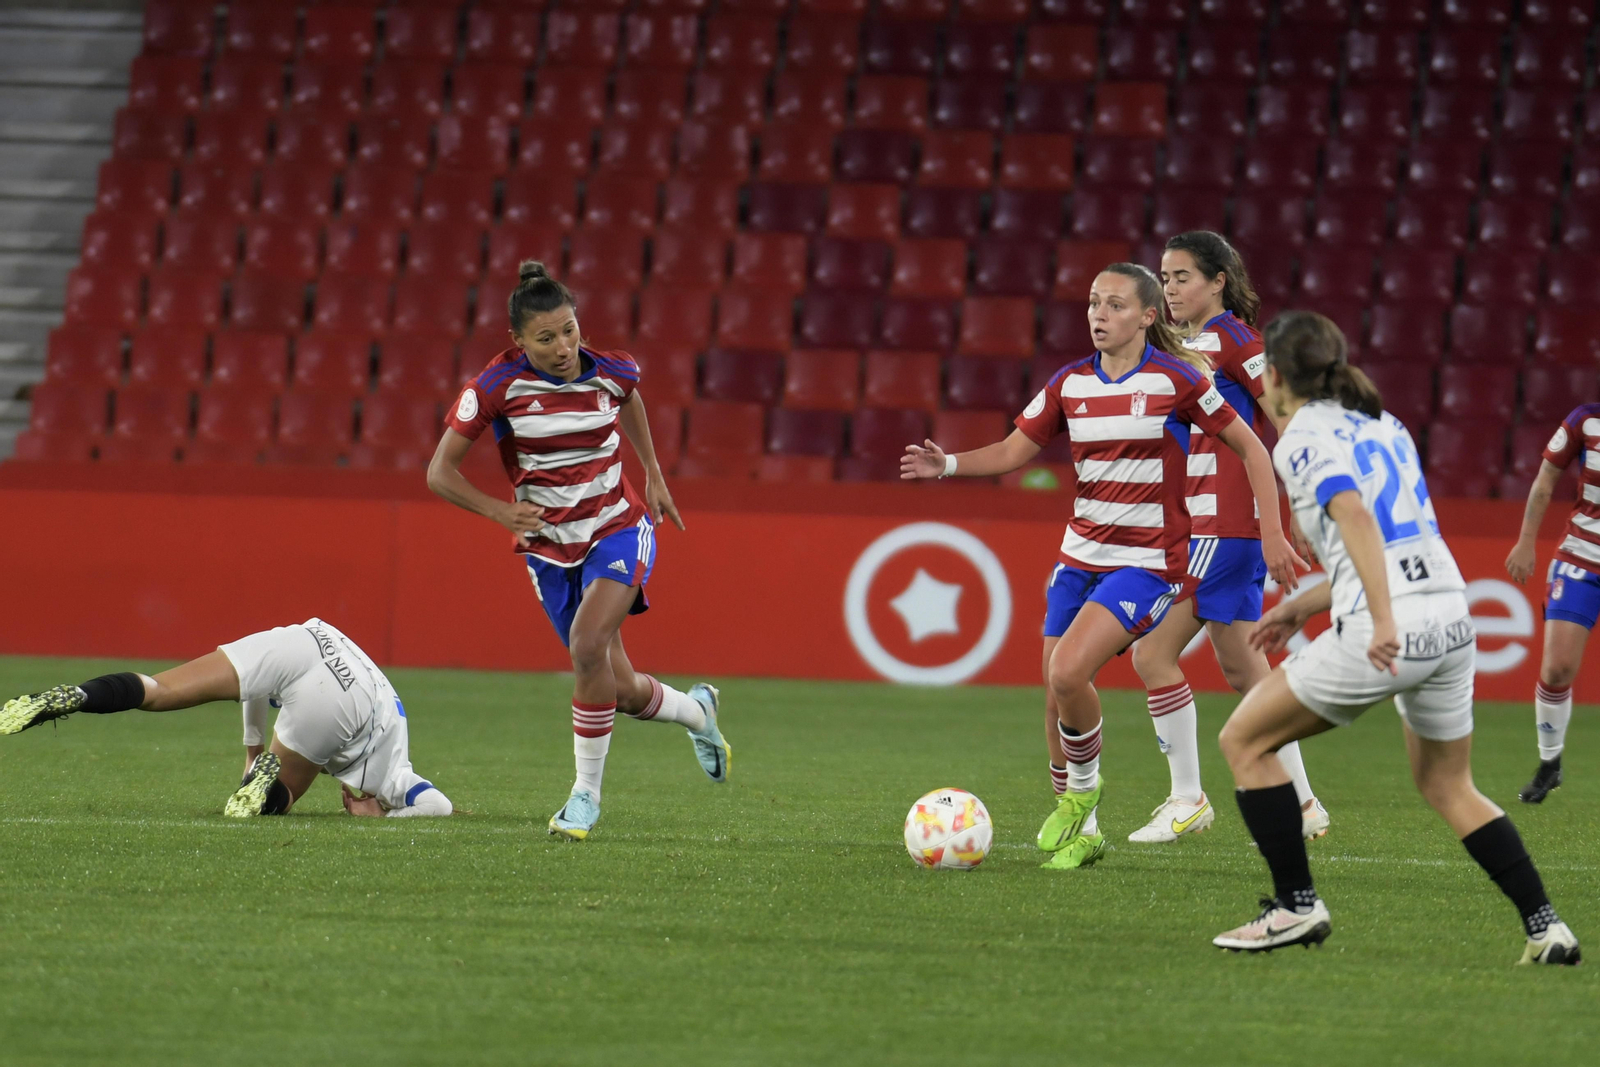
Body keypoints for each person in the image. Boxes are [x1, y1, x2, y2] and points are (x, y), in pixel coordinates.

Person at [902, 262, 1305, 870]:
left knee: (1069, 671)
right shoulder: (1069, 384)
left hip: (1146, 563)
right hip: (1079, 557)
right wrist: (950, 465)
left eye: (1115, 305)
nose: (1098, 314)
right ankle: (1083, 830)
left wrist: (1272, 527)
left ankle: (1088, 796)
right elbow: (1015, 450)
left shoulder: (1177, 380)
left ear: (1146, 317)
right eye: (1093, 303)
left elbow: (1251, 446)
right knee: (1055, 694)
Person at [1212, 311, 1579, 964]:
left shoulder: (1297, 437)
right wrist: (1307, 601)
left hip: (1392, 628)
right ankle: (1546, 926)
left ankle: (1296, 907)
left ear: (1270, 375)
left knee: (1243, 739)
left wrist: (1378, 619)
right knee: (1449, 784)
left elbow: (1352, 514)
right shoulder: (1387, 424)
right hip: (1451, 616)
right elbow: (1390, 540)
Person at [426, 261, 729, 842]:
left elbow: (629, 398)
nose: (563, 346)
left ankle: (583, 799)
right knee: (617, 686)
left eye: (569, 330)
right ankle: (699, 713)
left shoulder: (612, 368)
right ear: (518, 341)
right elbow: (439, 472)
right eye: (546, 338)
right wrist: (500, 511)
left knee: (586, 644)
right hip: (549, 548)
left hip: (618, 526)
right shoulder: (495, 387)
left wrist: (653, 472)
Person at [1124, 232, 1330, 845]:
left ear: (1218, 281)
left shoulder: (1237, 340)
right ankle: (1304, 803)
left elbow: (1288, 419)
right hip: (1205, 525)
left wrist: (1289, 514)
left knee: (1152, 655)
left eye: (1183, 276)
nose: (1171, 287)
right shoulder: (1178, 346)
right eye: (1164, 276)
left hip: (1223, 525)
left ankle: (1187, 798)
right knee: (1246, 670)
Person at [0, 617, 452, 819]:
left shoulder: (394, 719)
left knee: (160, 691)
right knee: (277, 801)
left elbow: (256, 690)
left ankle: (77, 694)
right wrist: (385, 815)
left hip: (312, 637)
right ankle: (262, 790)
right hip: (345, 697)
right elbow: (437, 806)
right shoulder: (394, 772)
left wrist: (253, 748)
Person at [1504, 402, 1600, 803]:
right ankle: (1549, 763)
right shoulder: (1585, 419)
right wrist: (1526, 542)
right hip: (1582, 556)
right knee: (1558, 669)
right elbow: (1545, 480)